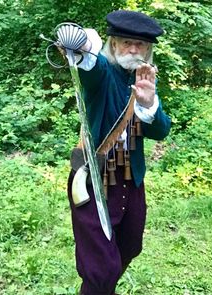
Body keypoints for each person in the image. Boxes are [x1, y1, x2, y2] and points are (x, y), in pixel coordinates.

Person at [66, 10, 171, 295]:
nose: (133, 49)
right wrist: (81, 42)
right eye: (126, 42)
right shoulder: (102, 73)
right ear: (113, 44)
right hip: (94, 177)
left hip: (131, 179)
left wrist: (149, 103)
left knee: (130, 246)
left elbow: (161, 131)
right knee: (101, 267)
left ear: (148, 50)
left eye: (140, 45)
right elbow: (89, 62)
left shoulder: (146, 81)